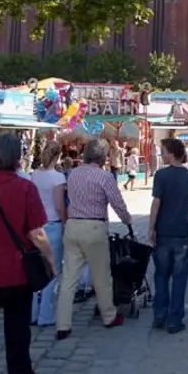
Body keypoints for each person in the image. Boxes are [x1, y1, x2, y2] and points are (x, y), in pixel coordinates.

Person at [0, 133, 58, 374]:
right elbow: (36, 233)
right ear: (17, 156)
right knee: (17, 337)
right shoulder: (24, 188)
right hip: (16, 273)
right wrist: (50, 259)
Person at [55, 139, 132, 339]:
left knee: (69, 278)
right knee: (102, 276)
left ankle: (63, 324)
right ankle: (109, 316)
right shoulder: (104, 177)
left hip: (73, 226)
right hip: (94, 227)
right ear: (102, 156)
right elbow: (117, 202)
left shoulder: (73, 174)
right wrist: (127, 220)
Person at [148, 138, 188, 333]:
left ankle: (159, 314)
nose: (161, 154)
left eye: (163, 151)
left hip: (163, 231)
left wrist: (151, 227)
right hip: (181, 231)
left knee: (161, 274)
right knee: (179, 277)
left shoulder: (161, 175)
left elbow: (156, 203)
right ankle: (175, 319)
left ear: (171, 154)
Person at [29, 144, 68, 327]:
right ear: (58, 156)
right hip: (53, 223)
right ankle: (46, 313)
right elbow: (59, 205)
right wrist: (65, 222)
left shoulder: (35, 175)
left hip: (36, 225)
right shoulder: (58, 177)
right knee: (52, 269)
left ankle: (32, 313)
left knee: (35, 268)